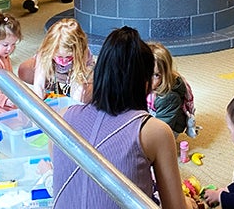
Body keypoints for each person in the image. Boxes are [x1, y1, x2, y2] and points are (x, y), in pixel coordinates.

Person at [51, 27, 198, 209]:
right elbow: (175, 207)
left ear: (99, 74)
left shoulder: (60, 117)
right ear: (146, 84)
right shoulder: (155, 131)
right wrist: (189, 203)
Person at [18, 18, 94, 103]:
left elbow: (78, 84)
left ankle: (67, 91)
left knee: (87, 96)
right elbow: (39, 84)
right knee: (25, 70)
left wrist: (73, 106)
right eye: (59, 56)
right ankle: (54, 88)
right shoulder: (46, 51)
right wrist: (39, 103)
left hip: (76, 75)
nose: (64, 60)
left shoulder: (82, 52)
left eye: (68, 57)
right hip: (55, 73)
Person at [147, 42, 196, 137]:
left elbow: (161, 129)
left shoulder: (168, 97)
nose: (148, 80)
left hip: (169, 128)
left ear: (165, 75)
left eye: (156, 75)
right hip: (155, 117)